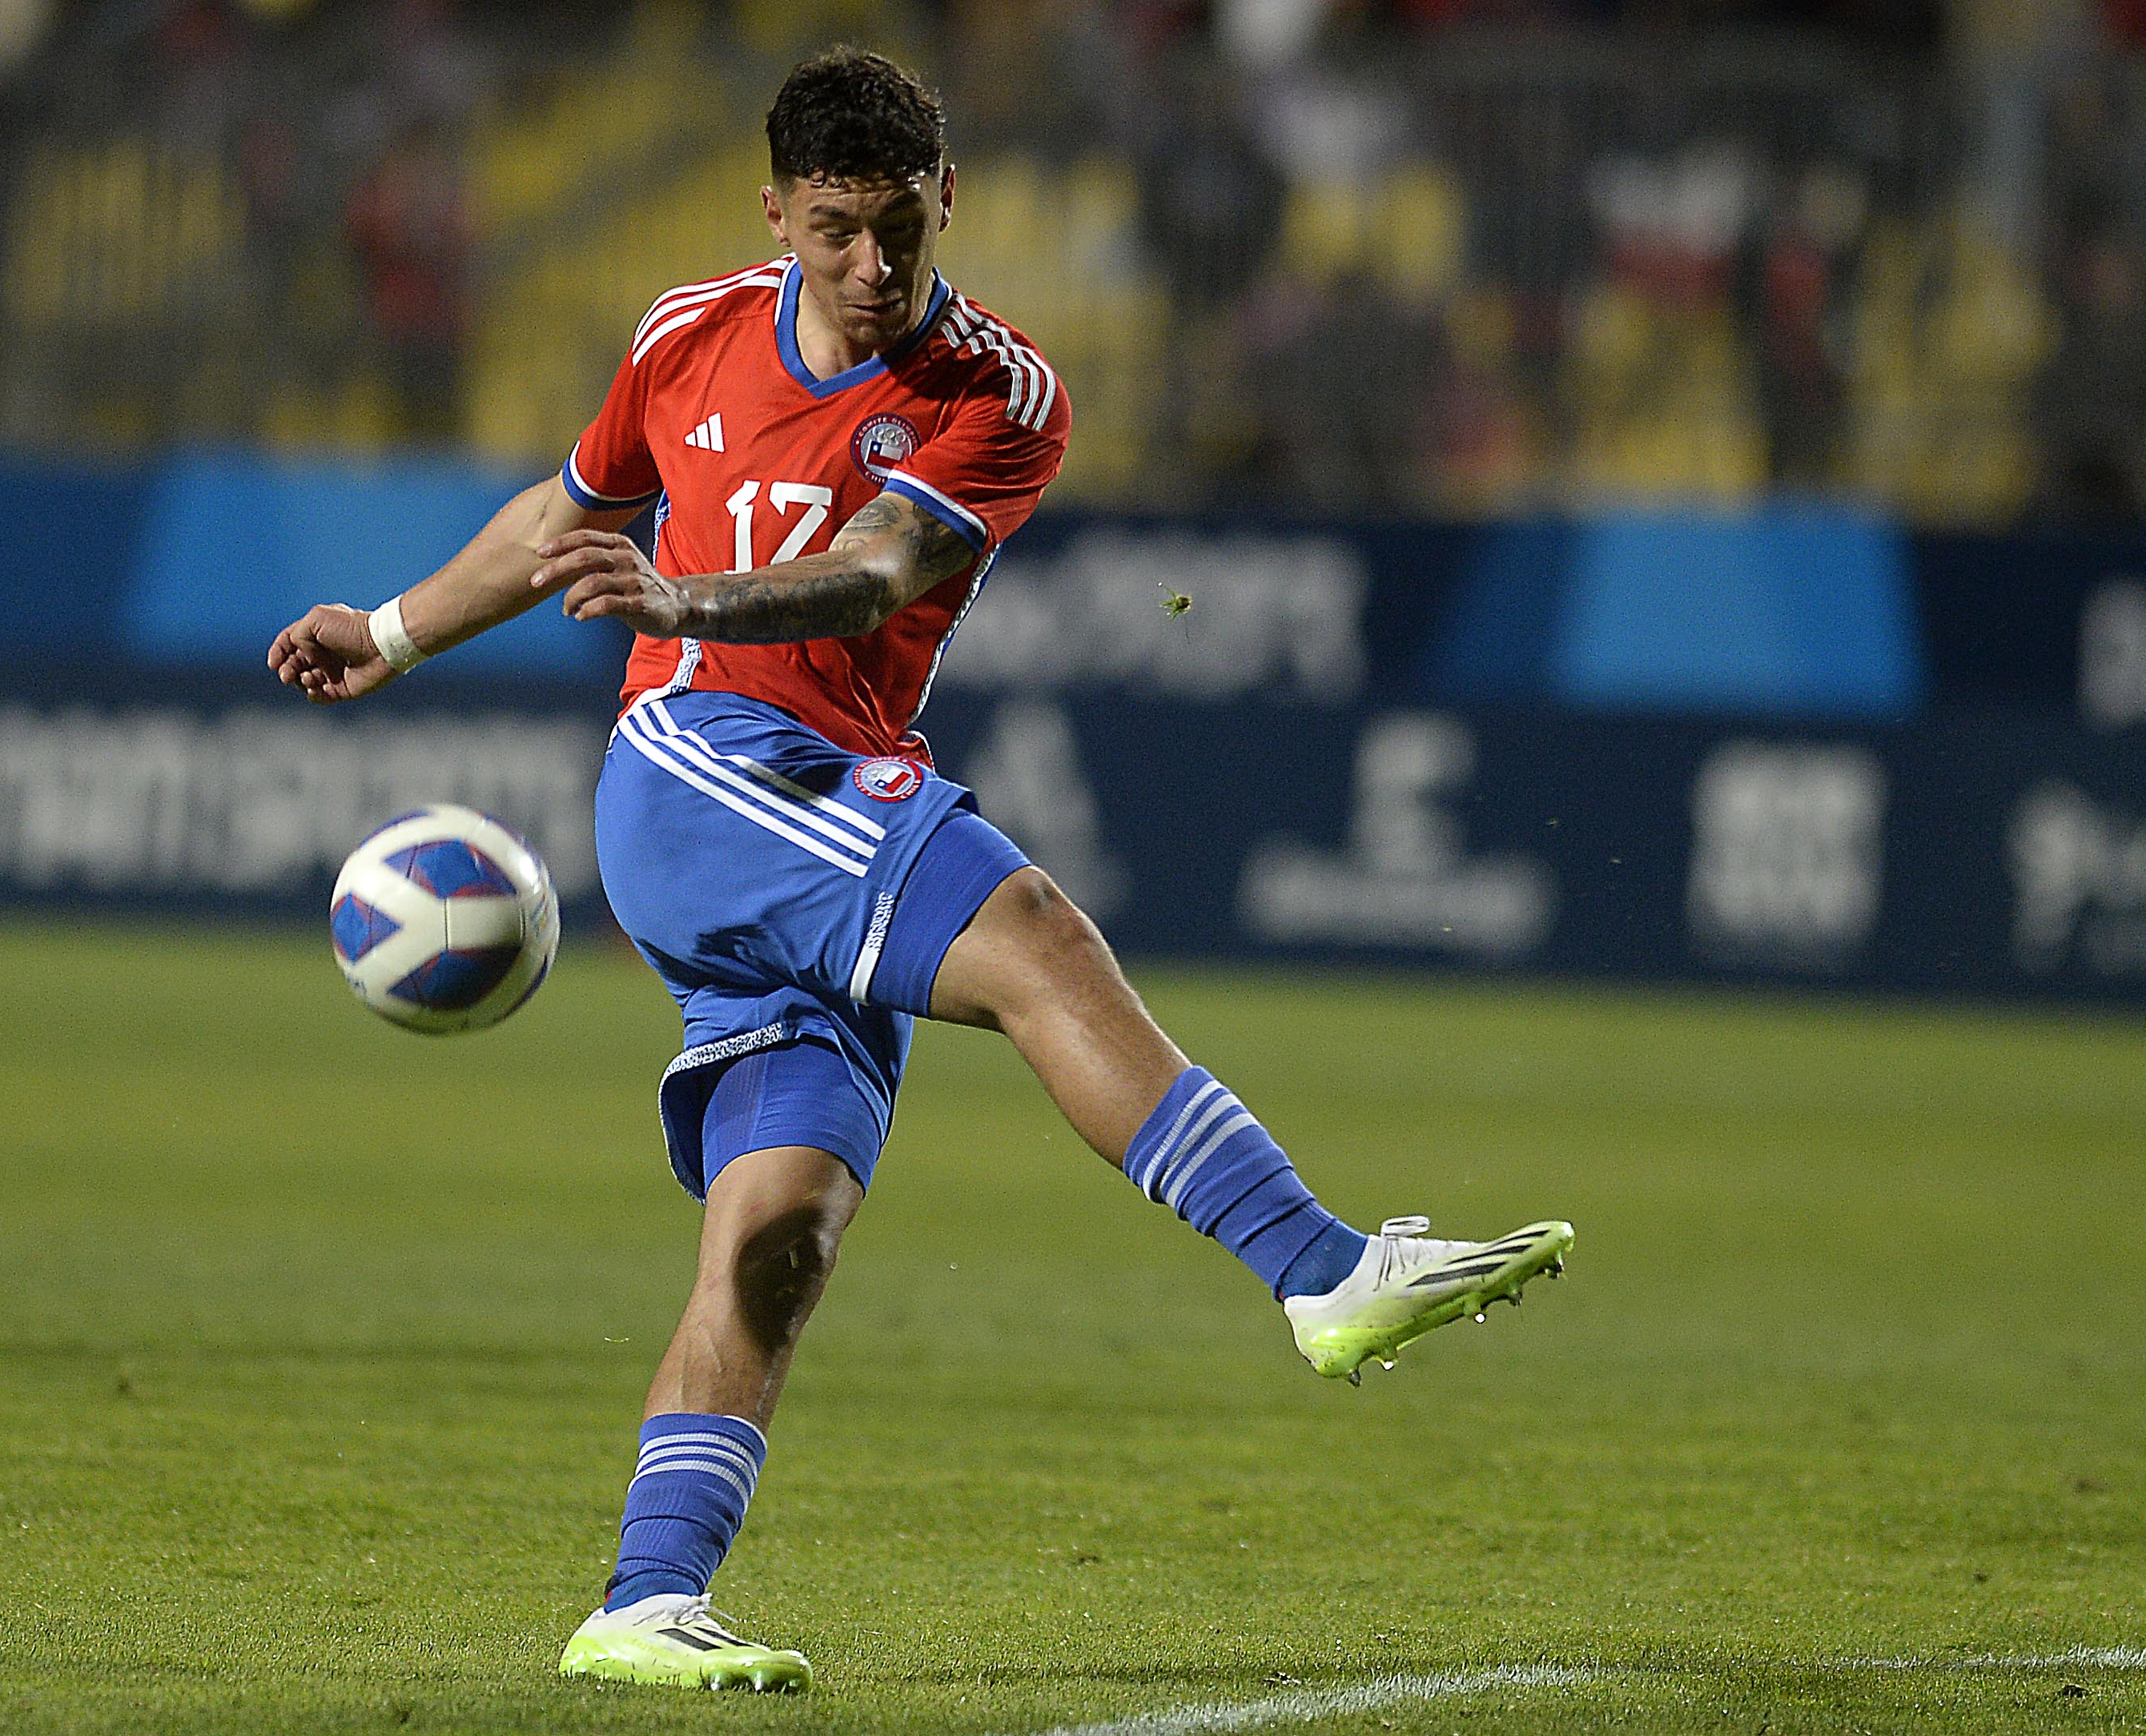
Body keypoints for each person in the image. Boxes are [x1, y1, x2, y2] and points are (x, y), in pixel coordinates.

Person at [269, 46, 1573, 1695]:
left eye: (899, 228)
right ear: (778, 212)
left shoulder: (999, 396)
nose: (871, 268)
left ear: (948, 200)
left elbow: (878, 571)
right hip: (701, 778)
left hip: (814, 778)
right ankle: (1321, 1269)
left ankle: (644, 1598)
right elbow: (574, 507)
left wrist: (680, 599)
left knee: (778, 1235)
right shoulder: (685, 336)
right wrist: (389, 631)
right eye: (834, 231)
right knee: (1030, 929)